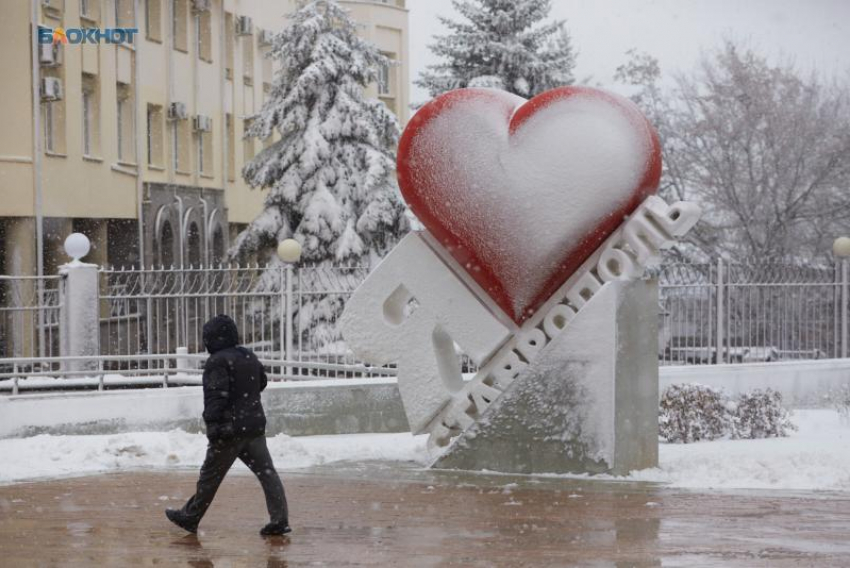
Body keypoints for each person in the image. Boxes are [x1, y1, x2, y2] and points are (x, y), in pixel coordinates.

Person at [165, 314, 291, 536]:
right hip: (253, 428)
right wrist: (244, 398)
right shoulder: (248, 355)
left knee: (210, 477)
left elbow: (216, 398)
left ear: (214, 338)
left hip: (229, 431)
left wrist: (213, 428)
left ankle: (190, 517)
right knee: (267, 474)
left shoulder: (217, 361)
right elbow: (261, 382)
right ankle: (280, 519)